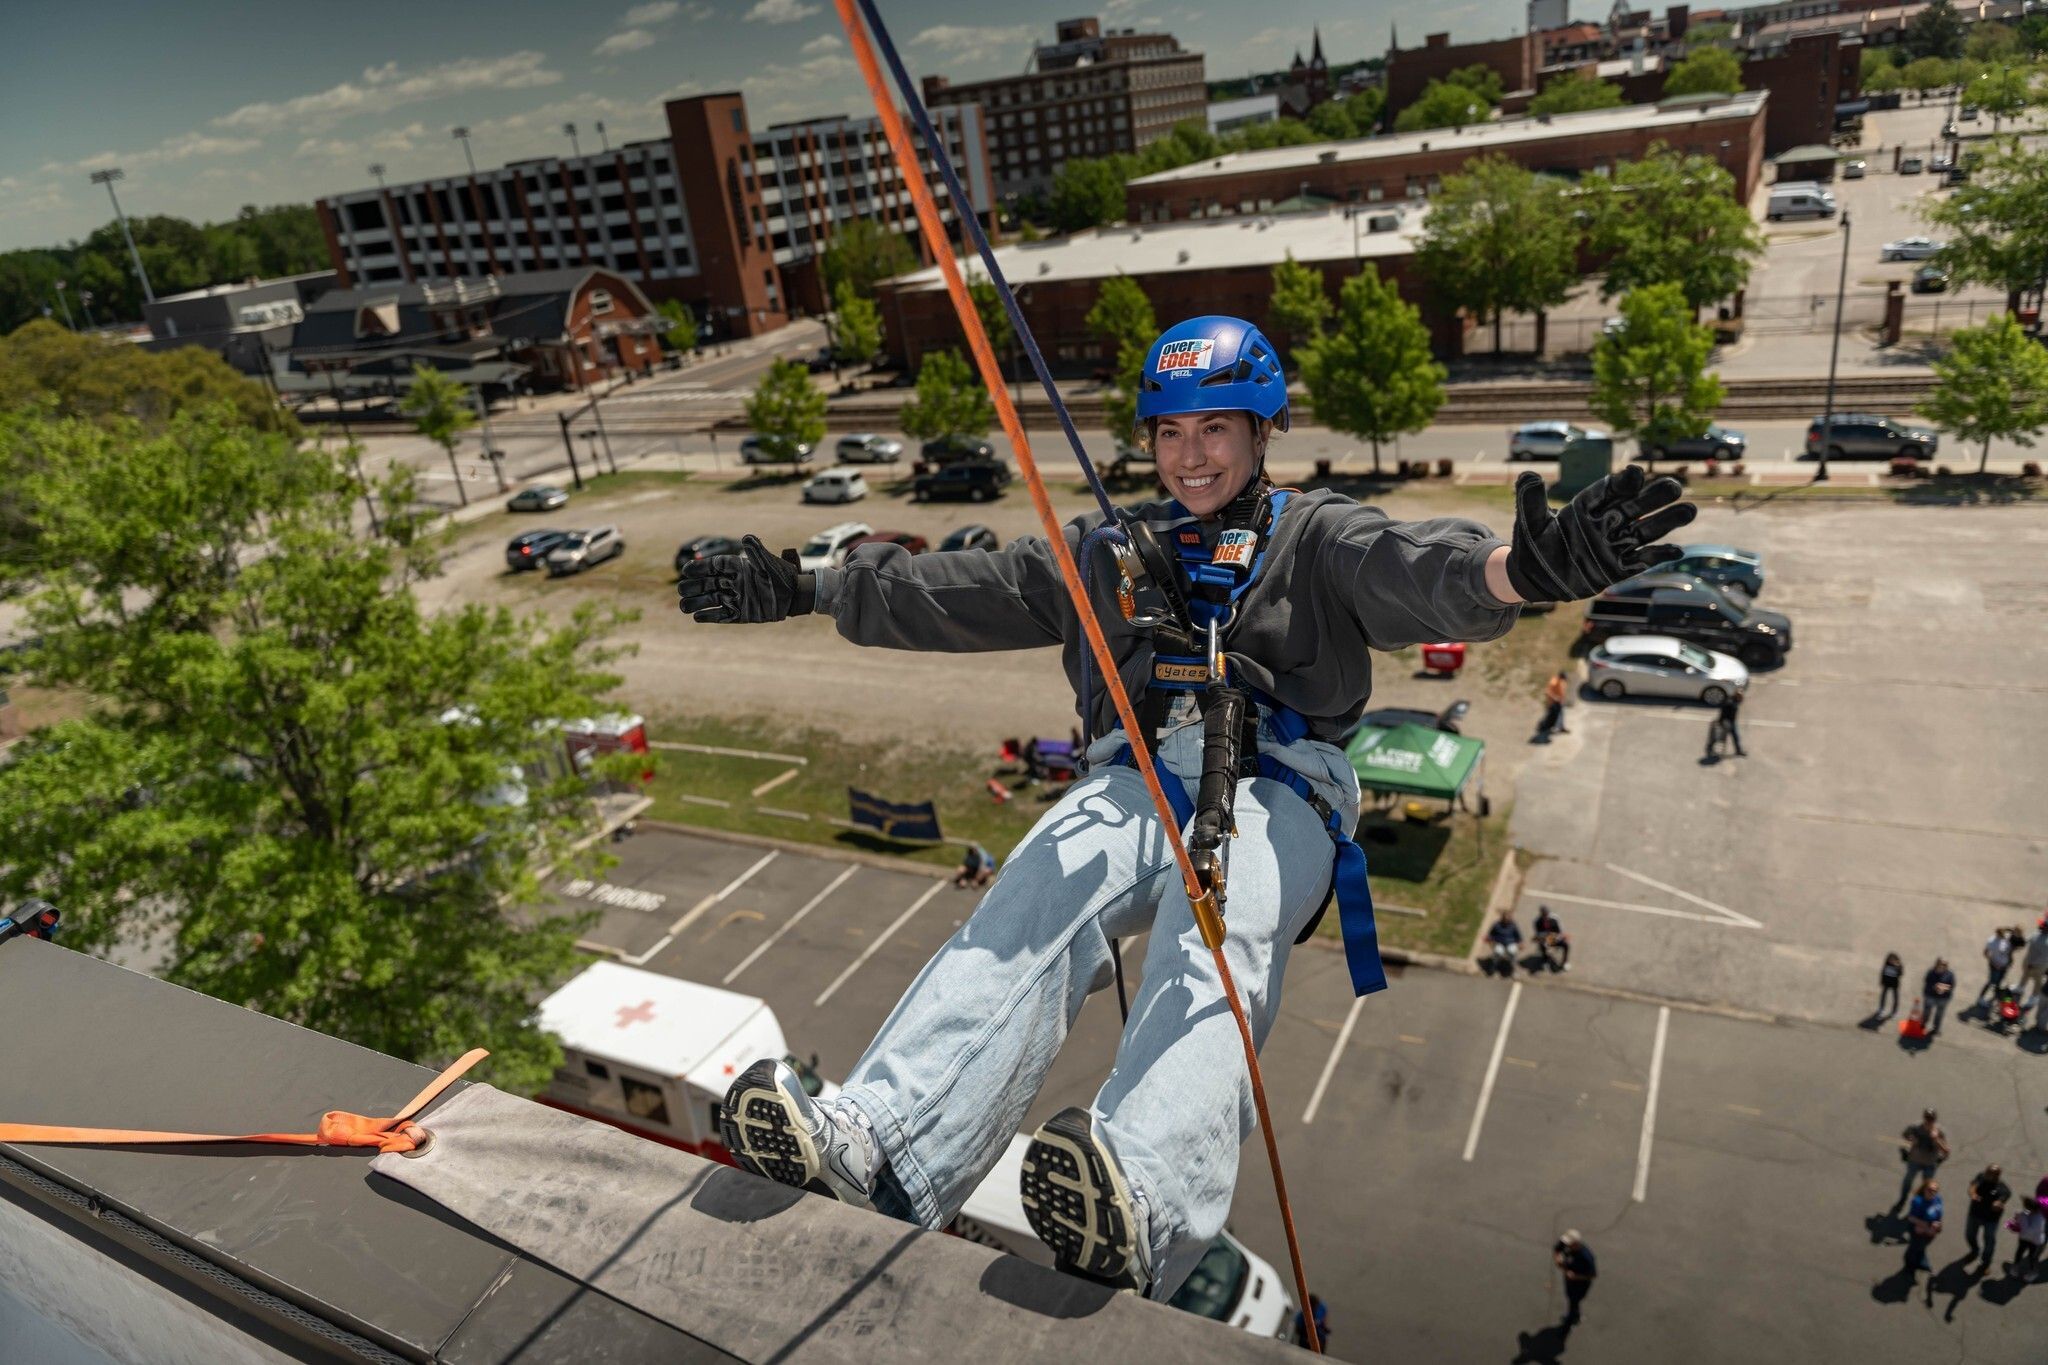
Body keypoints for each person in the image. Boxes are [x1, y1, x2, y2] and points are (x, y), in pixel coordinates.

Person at [677, 314, 1694, 1302]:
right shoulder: (1113, 553)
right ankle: (885, 1143)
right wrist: (801, 586)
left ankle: (1146, 1195)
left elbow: (1414, 570)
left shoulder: (1317, 539)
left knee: (1220, 919)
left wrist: (1521, 571)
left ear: (1261, 433)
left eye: (1213, 428)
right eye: (1169, 431)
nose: (1189, 454)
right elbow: (964, 588)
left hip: (1280, 781)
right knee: (1029, 895)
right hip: (1137, 776)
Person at [1895, 1109, 1951, 1214]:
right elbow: (1905, 1136)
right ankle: (1902, 1200)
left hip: (1930, 1164)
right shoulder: (1915, 1127)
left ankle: (1920, 1204)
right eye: (1927, 1118)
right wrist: (1911, 1140)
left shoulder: (1940, 1132)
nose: (1929, 1121)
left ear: (1935, 1119)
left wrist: (1936, 1139)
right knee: (1908, 1181)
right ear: (1924, 1117)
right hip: (1914, 1161)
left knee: (1926, 1186)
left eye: (1931, 1119)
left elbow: (1946, 1151)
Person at [1965, 1164, 2010, 1273]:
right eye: (1986, 1172)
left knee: (1989, 1241)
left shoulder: (2003, 1189)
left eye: (1989, 1173)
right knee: (1969, 1235)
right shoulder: (1981, 1176)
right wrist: (1972, 1194)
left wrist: (1998, 1204)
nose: (1986, 1174)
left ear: (1996, 1176)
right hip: (1975, 1214)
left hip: (1990, 1219)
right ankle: (1975, 1250)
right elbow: (1973, 1186)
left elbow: (2002, 1200)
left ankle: (1985, 1263)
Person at [1553, 1231, 1597, 1328]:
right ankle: (1574, 1314)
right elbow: (1556, 1249)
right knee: (1570, 1298)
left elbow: (1593, 1275)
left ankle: (1573, 1317)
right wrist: (1557, 1259)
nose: (1566, 1245)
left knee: (1574, 1301)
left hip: (1580, 1285)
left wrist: (1575, 1276)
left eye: (1569, 1244)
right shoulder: (1566, 1244)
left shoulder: (1586, 1257)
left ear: (1576, 1244)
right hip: (1569, 1280)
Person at [1904, 1178, 1944, 1280]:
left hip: (1931, 1230)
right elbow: (1912, 1218)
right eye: (1929, 1189)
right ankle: (1910, 1268)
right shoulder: (1918, 1201)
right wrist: (1927, 1228)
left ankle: (1921, 1261)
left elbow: (1939, 1214)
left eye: (1935, 1190)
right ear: (1924, 1189)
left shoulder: (1938, 1199)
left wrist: (1938, 1225)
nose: (1932, 1192)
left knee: (1922, 1246)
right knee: (1914, 1248)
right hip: (1919, 1229)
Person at [2006, 1196, 2047, 1281]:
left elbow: (2028, 1230)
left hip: (2034, 1241)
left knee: (2032, 1257)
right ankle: (2015, 1267)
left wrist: (2021, 1219)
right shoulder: (2028, 1213)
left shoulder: (2039, 1219)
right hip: (2026, 1239)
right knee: (2019, 1252)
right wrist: (2018, 1219)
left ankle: (2033, 1272)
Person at [1978, 927, 2017, 1004]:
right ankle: (1981, 998)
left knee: (2000, 981)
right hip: (1995, 966)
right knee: (1991, 982)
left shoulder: (2005, 938)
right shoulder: (1992, 941)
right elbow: (1985, 953)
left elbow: (2008, 951)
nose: (2004, 936)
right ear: (1998, 934)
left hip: (2004, 965)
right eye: (2002, 935)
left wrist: (2010, 961)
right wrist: (1993, 963)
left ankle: (1996, 994)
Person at [1922, 958, 1957, 1034]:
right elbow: (1927, 982)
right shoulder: (1931, 972)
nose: (1942, 967)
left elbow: (1952, 985)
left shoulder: (1950, 974)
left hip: (1943, 998)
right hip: (1931, 996)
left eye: (1944, 965)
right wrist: (1935, 987)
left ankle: (1936, 1028)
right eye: (1941, 965)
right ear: (1937, 964)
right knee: (1927, 1011)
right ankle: (1923, 1024)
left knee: (1939, 1014)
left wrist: (1944, 988)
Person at [1534, 904, 1571, 972]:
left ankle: (1564, 962)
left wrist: (1557, 937)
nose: (1546, 917)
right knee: (1542, 945)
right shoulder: (1537, 921)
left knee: (1566, 945)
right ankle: (1545, 960)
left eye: (1547, 914)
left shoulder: (1555, 918)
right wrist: (1544, 938)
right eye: (1544, 915)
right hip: (1545, 939)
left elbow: (1560, 931)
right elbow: (1538, 934)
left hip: (1555, 937)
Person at [1488, 909, 1526, 975]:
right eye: (1505, 919)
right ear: (1502, 918)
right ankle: (1493, 967)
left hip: (1511, 943)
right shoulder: (1496, 925)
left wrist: (1521, 943)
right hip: (1499, 943)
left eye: (1508, 919)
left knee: (1512, 952)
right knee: (1498, 952)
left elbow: (1518, 936)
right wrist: (1491, 942)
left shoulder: (1513, 925)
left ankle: (1513, 970)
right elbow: (1491, 935)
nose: (1506, 920)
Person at [1535, 670, 1569, 742]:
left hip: (1559, 703)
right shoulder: (1554, 681)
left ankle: (1561, 727)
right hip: (1553, 703)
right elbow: (1547, 692)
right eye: (1563, 678)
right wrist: (1555, 698)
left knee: (1561, 715)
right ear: (1560, 677)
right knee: (1550, 716)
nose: (1564, 680)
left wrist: (1562, 699)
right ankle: (1543, 727)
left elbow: (1562, 690)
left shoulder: (1563, 681)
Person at [1878, 952, 1905, 1019]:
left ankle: (1894, 1012)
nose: (1891, 961)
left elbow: (1901, 974)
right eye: (1890, 960)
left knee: (1895, 999)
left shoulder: (1898, 966)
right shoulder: (1886, 965)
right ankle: (1882, 1009)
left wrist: (1897, 967)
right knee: (1883, 997)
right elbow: (1883, 973)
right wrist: (1881, 981)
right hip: (1886, 984)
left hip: (1894, 985)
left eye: (1893, 960)